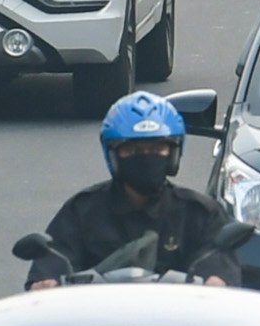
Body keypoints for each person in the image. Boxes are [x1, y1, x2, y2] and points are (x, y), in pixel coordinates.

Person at [30, 92, 240, 285]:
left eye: (158, 148)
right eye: (133, 150)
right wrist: (48, 283)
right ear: (113, 155)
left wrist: (216, 281)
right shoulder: (81, 211)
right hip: (98, 321)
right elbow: (53, 264)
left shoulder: (200, 214)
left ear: (174, 154)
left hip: (176, 321)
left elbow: (217, 264)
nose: (146, 157)